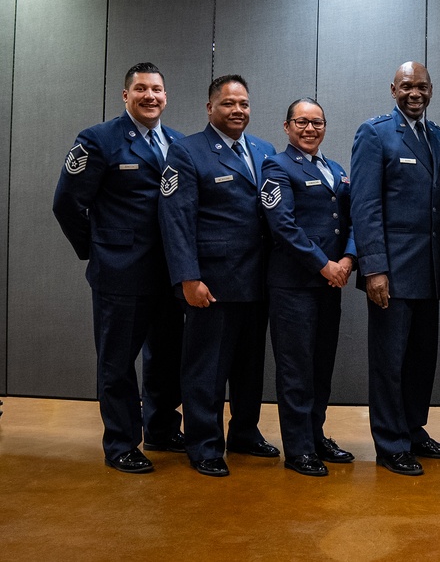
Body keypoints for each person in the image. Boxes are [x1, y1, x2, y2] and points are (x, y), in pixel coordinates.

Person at [53, 62, 185, 473]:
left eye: (158, 90)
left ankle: (161, 428)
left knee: (167, 356)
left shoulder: (178, 143)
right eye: (142, 89)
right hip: (121, 272)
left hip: (170, 272)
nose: (151, 96)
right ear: (126, 96)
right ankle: (121, 443)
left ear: (166, 96)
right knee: (117, 363)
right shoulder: (98, 139)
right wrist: (100, 249)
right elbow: (67, 203)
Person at [158, 74, 278, 477]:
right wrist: (188, 278)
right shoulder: (186, 151)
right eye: (228, 103)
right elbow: (175, 220)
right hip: (212, 283)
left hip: (258, 281)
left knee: (249, 367)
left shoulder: (264, 150)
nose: (237, 110)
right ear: (210, 107)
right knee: (206, 370)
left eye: (243, 103)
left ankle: (244, 431)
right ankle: (205, 445)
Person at [350, 62, 440, 476]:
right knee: (389, 363)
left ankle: (413, 429)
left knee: (420, 360)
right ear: (393, 88)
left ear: (431, 89)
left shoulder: (439, 138)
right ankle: (390, 443)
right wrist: (374, 268)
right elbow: (365, 205)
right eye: (407, 86)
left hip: (428, 274)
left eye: (423, 86)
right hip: (391, 273)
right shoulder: (374, 133)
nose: (416, 93)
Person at [260, 98, 356, 477]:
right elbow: (282, 225)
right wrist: (325, 265)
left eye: (317, 123)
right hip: (294, 286)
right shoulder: (277, 166)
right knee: (296, 369)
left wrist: (348, 259)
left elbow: (352, 220)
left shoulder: (336, 170)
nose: (310, 129)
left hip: (330, 284)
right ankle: (298, 449)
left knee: (320, 366)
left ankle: (316, 436)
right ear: (286, 127)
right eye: (301, 122)